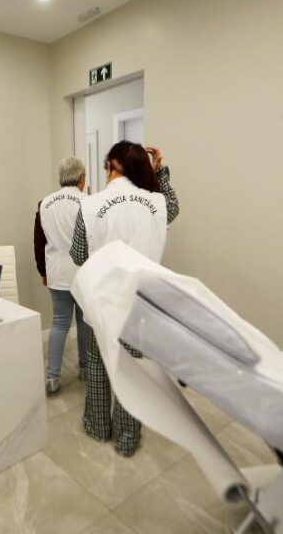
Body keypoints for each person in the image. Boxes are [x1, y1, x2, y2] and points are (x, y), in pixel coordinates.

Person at [70, 141, 180, 456]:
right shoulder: (157, 203)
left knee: (97, 365)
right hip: (139, 305)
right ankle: (127, 438)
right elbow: (174, 206)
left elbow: (78, 254)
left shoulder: (90, 205)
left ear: (111, 166)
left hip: (100, 303)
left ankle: (98, 427)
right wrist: (160, 170)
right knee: (132, 372)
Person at [34, 157, 88, 394]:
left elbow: (39, 242)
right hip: (84, 273)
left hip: (56, 273)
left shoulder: (44, 203)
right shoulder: (88, 203)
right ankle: (85, 369)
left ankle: (52, 377)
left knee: (58, 323)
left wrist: (43, 271)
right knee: (84, 322)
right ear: (81, 178)